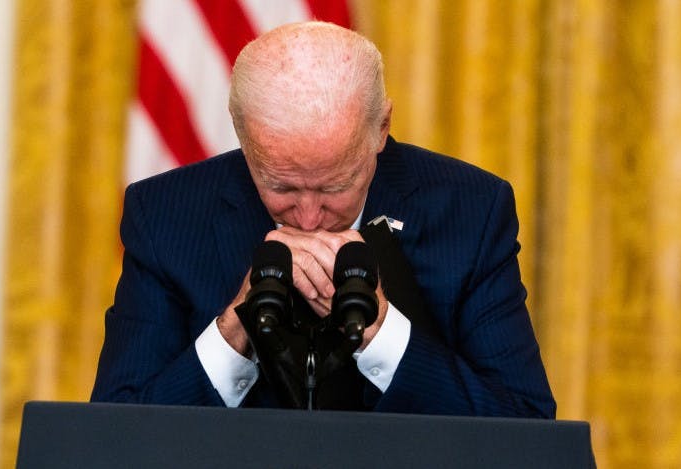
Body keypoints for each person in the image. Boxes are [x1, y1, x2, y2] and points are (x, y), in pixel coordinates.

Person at [90, 21, 555, 418]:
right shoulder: (165, 214)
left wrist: (383, 335)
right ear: (242, 135)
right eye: (282, 187)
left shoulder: (470, 211)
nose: (310, 219)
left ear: (381, 128)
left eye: (335, 187)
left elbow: (526, 429)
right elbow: (114, 436)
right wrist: (235, 330)